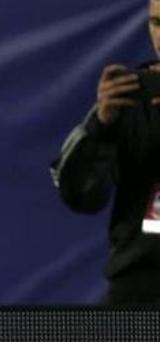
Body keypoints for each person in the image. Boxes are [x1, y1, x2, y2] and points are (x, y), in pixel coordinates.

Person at [51, 0, 160, 303]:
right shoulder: (126, 99)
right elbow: (82, 197)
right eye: (157, 23)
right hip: (139, 288)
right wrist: (101, 127)